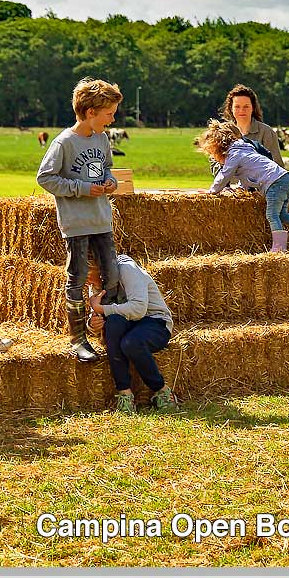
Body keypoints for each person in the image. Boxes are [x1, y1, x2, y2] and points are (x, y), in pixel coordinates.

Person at [36, 78, 126, 363]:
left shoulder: (101, 138)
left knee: (111, 276)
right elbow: (45, 178)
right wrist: (82, 189)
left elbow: (108, 169)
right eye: (109, 114)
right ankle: (78, 338)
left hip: (102, 219)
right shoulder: (64, 142)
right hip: (76, 223)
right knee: (76, 277)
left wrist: (110, 182)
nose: (112, 120)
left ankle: (106, 330)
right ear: (90, 113)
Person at [198, 120, 289, 252]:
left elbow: (225, 174)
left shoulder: (234, 154)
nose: (215, 159)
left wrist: (212, 192)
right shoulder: (244, 149)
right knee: (282, 215)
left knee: (271, 215)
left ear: (220, 148)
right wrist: (241, 189)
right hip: (285, 179)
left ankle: (279, 248)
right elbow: (248, 174)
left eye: (214, 155)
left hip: (275, 183)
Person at [84, 253, 179, 414]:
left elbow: (138, 309)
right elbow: (98, 316)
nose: (83, 280)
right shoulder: (96, 284)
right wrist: (93, 324)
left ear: (97, 267)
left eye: (84, 273)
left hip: (155, 322)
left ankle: (162, 391)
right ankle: (125, 394)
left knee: (131, 343)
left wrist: (102, 309)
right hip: (127, 324)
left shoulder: (126, 269)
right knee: (113, 323)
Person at [209, 84, 283, 176]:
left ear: (253, 108)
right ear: (231, 108)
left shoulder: (267, 132)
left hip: (260, 187)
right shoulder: (222, 132)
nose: (241, 110)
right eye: (237, 106)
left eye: (246, 106)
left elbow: (278, 166)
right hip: (228, 188)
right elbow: (214, 164)